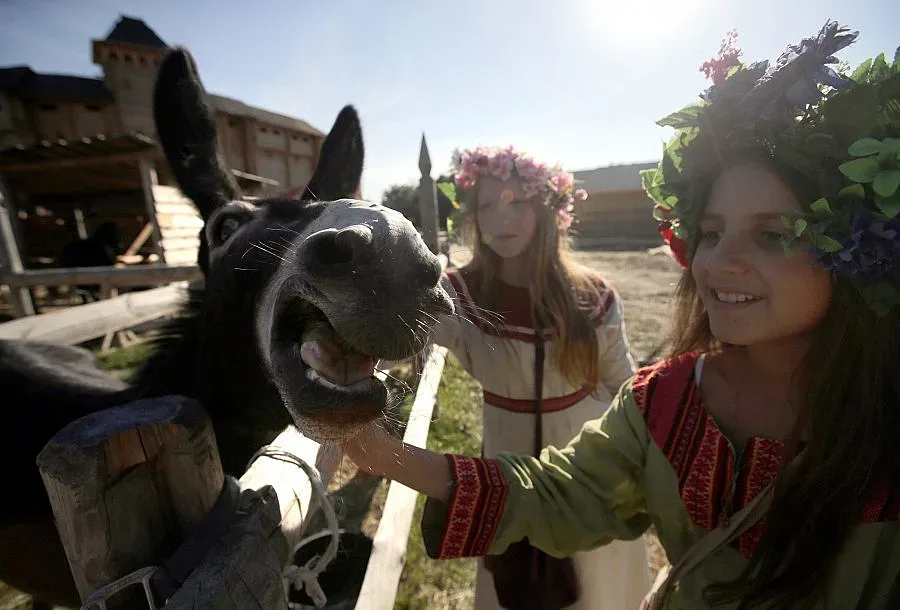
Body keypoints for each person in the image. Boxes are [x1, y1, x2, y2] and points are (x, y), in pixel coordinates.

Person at [346, 21, 900, 609]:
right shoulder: (664, 405)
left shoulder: (883, 411)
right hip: (534, 452)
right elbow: (561, 492)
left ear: (857, 249)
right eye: (710, 233)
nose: (721, 262)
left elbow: (613, 379)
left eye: (772, 234)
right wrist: (374, 442)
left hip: (581, 433)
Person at [426, 144, 650, 608]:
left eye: (516, 202)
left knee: (598, 586)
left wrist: (627, 468)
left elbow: (620, 385)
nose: (500, 218)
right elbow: (404, 329)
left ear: (547, 211)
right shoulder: (459, 293)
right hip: (507, 461)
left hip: (587, 462)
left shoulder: (592, 295)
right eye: (486, 204)